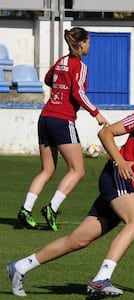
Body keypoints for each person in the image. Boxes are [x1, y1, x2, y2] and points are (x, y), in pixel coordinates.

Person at [7, 77, 134, 297]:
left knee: (78, 240)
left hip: (133, 191)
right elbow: (106, 133)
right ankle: (101, 279)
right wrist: (120, 161)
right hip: (117, 178)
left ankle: (21, 266)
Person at [17, 27, 109, 231]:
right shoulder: (80, 66)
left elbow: (48, 79)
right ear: (82, 44)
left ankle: (25, 209)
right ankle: (52, 207)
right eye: (89, 42)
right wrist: (96, 113)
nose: (90, 46)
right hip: (62, 120)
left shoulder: (61, 62)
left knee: (47, 170)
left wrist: (60, 90)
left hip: (45, 118)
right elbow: (78, 93)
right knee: (78, 170)